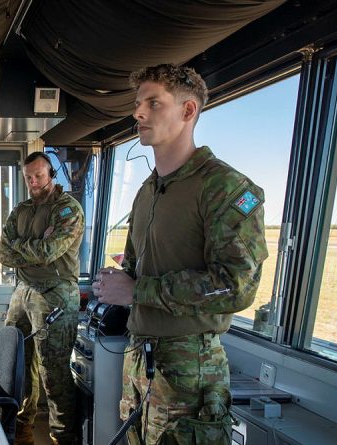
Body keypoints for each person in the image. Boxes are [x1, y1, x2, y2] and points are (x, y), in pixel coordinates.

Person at [92, 64, 268, 444]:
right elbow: (136, 271)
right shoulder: (146, 192)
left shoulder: (225, 187)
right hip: (140, 358)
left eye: (154, 103)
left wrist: (137, 291)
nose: (138, 113)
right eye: (138, 103)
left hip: (191, 369)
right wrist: (117, 284)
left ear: (188, 111)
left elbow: (237, 287)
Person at [0, 151, 84, 445]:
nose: (33, 182)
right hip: (23, 291)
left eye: (39, 175)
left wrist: (22, 249)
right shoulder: (21, 210)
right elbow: (3, 254)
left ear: (51, 174)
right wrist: (34, 247)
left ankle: (63, 438)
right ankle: (22, 431)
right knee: (17, 363)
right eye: (28, 177)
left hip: (56, 294)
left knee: (53, 370)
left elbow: (50, 252)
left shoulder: (67, 210)